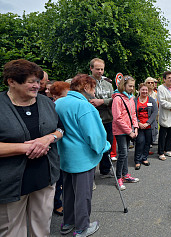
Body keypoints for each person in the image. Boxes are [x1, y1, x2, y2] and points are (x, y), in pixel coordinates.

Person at [0, 59, 63, 236]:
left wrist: (48, 138)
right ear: (11, 81)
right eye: (31, 81)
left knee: (42, 229)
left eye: (38, 81)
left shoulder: (46, 102)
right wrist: (25, 148)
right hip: (10, 184)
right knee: (12, 231)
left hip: (45, 178)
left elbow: (60, 129)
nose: (37, 85)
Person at [55, 74, 109, 236]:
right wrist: (103, 147)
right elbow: (94, 135)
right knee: (83, 194)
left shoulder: (59, 102)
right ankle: (82, 227)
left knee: (69, 191)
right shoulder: (84, 106)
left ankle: (68, 222)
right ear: (86, 87)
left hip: (65, 155)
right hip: (82, 158)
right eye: (93, 88)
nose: (94, 92)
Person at [112, 76, 139, 191]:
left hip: (129, 130)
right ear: (124, 85)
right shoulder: (117, 98)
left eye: (133, 86)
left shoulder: (131, 98)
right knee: (122, 153)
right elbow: (117, 118)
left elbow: (133, 114)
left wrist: (136, 127)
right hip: (120, 131)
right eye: (130, 86)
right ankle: (118, 178)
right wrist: (129, 132)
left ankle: (126, 174)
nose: (132, 88)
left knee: (126, 152)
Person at [89, 58, 114, 178]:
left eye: (102, 69)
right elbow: (89, 101)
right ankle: (90, 174)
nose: (100, 71)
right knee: (92, 147)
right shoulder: (87, 83)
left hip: (108, 119)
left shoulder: (108, 84)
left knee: (107, 145)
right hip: (93, 120)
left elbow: (114, 99)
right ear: (91, 68)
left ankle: (105, 170)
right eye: (97, 69)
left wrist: (102, 101)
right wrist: (105, 102)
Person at [48, 81, 70, 217]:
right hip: (54, 147)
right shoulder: (53, 107)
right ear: (56, 96)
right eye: (65, 95)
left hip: (62, 145)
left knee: (61, 178)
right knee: (57, 178)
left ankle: (59, 202)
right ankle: (57, 204)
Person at [134, 83, 158, 170]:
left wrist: (147, 123)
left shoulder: (151, 100)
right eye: (143, 90)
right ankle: (137, 160)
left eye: (146, 90)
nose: (144, 91)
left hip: (149, 126)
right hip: (139, 126)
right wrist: (138, 123)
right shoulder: (134, 100)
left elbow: (155, 112)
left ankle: (144, 158)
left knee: (148, 142)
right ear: (139, 90)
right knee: (140, 142)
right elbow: (132, 113)